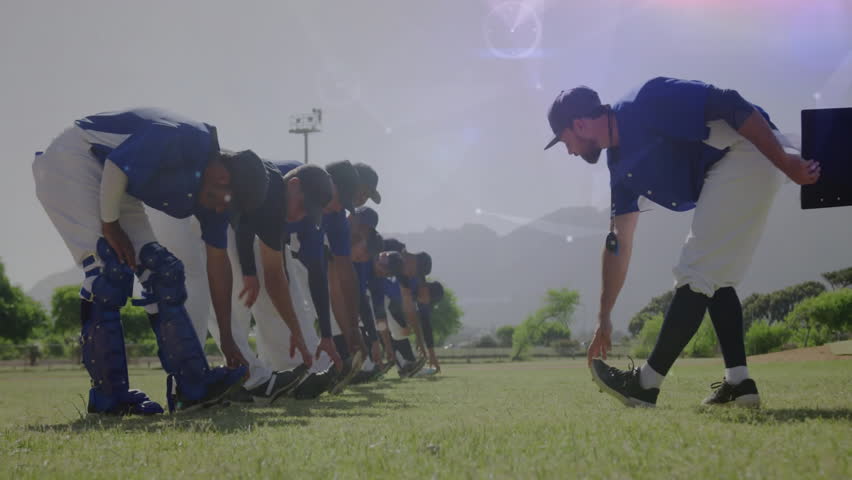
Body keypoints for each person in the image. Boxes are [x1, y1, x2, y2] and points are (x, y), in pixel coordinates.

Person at [543, 77, 819, 407]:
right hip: (736, 168)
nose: (569, 150)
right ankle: (739, 383)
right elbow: (619, 239)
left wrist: (785, 162)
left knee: (695, 273)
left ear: (580, 124)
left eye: (564, 141)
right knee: (716, 279)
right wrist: (604, 316)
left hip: (749, 152)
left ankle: (645, 384)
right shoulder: (619, 165)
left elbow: (731, 102)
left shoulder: (646, 100)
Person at [32, 108, 268, 414]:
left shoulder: (215, 193)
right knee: (108, 271)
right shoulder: (186, 136)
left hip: (117, 182)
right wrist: (110, 223)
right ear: (223, 176)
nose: (224, 210)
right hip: (75, 160)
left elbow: (218, 265)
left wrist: (226, 337)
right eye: (228, 201)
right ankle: (109, 397)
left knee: (164, 272)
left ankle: (193, 386)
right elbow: (118, 163)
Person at [205, 161, 333, 403]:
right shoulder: (271, 191)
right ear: (293, 185)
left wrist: (295, 333)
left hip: (211, 217)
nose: (300, 215)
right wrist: (249, 273)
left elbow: (274, 275)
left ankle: (248, 377)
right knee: (202, 294)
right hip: (177, 198)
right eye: (303, 206)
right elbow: (272, 275)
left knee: (229, 301)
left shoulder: (277, 206)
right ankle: (248, 379)